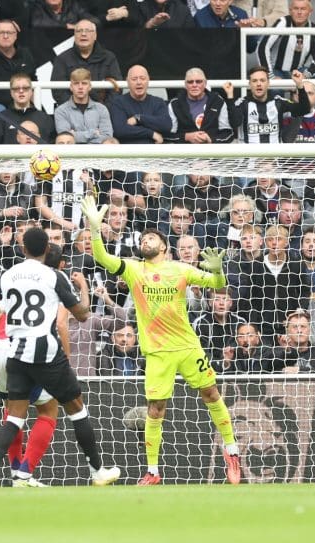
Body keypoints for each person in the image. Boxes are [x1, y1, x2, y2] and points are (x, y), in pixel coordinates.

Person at [80, 195, 241, 485]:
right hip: (157, 353)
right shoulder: (134, 269)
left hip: (188, 347)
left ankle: (232, 453)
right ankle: (153, 471)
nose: (146, 240)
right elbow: (102, 258)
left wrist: (217, 270)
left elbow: (218, 285)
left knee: (212, 395)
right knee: (155, 409)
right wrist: (94, 228)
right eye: (143, 238)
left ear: (164, 246)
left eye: (152, 237)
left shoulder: (180, 269)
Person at [0, 228, 121, 487]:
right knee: (77, 410)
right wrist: (83, 292)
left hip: (16, 353)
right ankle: (97, 472)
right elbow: (83, 315)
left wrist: (6, 304)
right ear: (46, 250)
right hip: (47, 354)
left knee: (15, 416)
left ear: (23, 249)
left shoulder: (8, 275)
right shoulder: (54, 276)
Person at [0, 244, 73, 487]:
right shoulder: (55, 281)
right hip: (26, 349)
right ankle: (24, 473)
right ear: (61, 264)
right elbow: (61, 324)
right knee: (48, 409)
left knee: (13, 410)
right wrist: (66, 361)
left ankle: (7, 470)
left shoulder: (14, 276)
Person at [49, 19, 122, 105]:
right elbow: (58, 92)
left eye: (88, 31)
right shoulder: (62, 59)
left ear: (95, 36)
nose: (83, 34)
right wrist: (77, 108)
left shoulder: (109, 58)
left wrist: (102, 110)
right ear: (74, 36)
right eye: (79, 31)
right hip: (71, 113)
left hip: (103, 112)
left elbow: (117, 89)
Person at [233, 67, 310, 143]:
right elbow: (234, 122)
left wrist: (300, 85)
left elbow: (304, 109)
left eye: (262, 80)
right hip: (249, 155)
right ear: (249, 85)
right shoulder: (242, 104)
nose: (259, 84)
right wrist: (230, 98)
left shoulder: (279, 102)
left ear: (268, 83)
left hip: (274, 155)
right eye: (254, 81)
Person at [256, 0, 315, 82]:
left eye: (303, 9)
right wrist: (270, 75)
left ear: (310, 12)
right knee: (275, 87)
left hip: (299, 71)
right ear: (290, 10)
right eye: (296, 8)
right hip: (277, 69)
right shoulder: (283, 23)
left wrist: (305, 75)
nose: (299, 12)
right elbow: (262, 47)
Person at [167, 68, 235, 144]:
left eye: (198, 81)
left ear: (205, 83)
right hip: (185, 153)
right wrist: (187, 137)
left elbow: (228, 133)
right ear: (185, 85)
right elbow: (168, 135)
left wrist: (211, 140)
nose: (194, 85)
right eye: (190, 82)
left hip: (212, 153)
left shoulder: (218, 101)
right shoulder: (175, 104)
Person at [108, 65, 171, 144]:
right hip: (128, 152)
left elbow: (166, 125)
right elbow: (120, 130)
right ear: (127, 81)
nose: (139, 82)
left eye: (142, 78)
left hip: (154, 152)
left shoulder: (158, 102)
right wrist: (151, 133)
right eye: (134, 79)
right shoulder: (118, 102)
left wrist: (139, 119)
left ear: (148, 80)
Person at [0, 74, 55, 145]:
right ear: (11, 92)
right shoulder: (0, 118)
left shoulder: (45, 119)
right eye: (16, 88)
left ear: (31, 91)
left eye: (25, 88)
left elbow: (51, 148)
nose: (21, 91)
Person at [54, 68, 114, 144]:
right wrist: (94, 133)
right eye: (76, 83)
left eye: (84, 83)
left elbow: (107, 138)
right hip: (72, 154)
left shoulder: (101, 109)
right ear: (71, 87)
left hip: (98, 154)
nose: (80, 87)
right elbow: (66, 140)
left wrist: (75, 135)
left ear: (90, 87)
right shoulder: (61, 111)